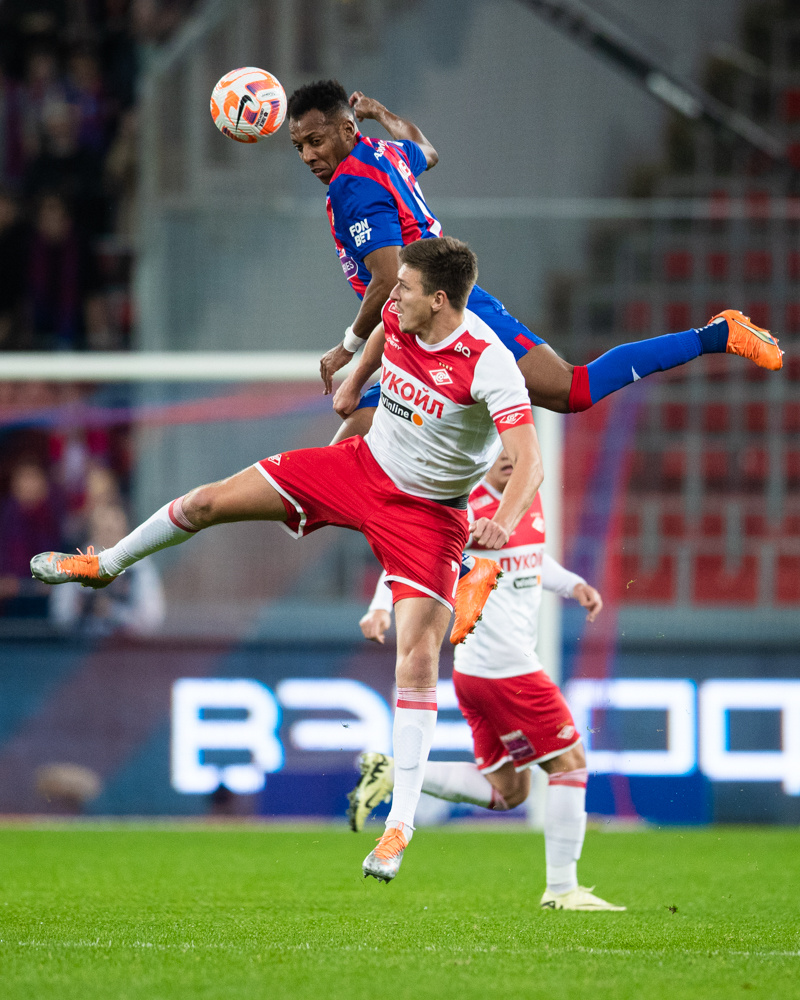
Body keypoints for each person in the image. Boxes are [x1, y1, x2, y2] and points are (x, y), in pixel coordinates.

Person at [31, 236, 543, 883]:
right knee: (212, 500)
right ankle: (107, 564)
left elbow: (531, 460)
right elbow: (384, 328)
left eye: (407, 287)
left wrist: (498, 521)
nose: (394, 295)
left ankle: (398, 830)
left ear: (440, 301)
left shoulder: (489, 363)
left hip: (427, 515)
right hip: (360, 466)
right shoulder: (398, 314)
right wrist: (355, 382)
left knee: (416, 657)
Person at [286, 78, 783, 640]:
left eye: (317, 140)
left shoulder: (352, 187)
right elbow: (426, 147)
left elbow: (386, 281)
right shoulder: (381, 150)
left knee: (571, 391)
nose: (309, 155)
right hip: (415, 332)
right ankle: (450, 563)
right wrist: (383, 114)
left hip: (447, 322)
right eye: (299, 146)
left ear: (344, 131)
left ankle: (716, 336)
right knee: (347, 463)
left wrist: (347, 351)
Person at [350, 450, 625, 910]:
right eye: (498, 448)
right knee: (571, 764)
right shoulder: (464, 505)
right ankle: (562, 889)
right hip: (506, 669)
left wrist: (571, 584)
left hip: (479, 673)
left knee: (509, 790)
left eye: (517, 450)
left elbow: (532, 559)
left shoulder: (525, 501)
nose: (509, 458)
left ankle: (393, 773)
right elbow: (410, 555)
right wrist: (380, 607)